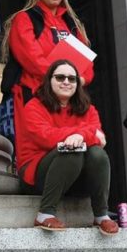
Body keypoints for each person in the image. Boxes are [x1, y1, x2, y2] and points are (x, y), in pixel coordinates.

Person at [15, 60, 118, 235]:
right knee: (71, 151)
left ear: (78, 84)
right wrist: (84, 134)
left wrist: (81, 136)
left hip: (76, 177)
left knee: (97, 153)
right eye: (60, 77)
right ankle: (45, 214)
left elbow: (101, 141)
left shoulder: (89, 109)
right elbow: (46, 137)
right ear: (49, 80)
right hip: (38, 176)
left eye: (72, 79)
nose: (66, 82)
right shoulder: (34, 106)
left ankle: (101, 215)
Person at [0, 0, 93, 148]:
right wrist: (60, 76)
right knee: (36, 146)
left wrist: (82, 79)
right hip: (33, 93)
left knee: (69, 144)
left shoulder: (72, 23)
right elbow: (30, 56)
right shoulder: (25, 18)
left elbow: (86, 60)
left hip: (67, 98)